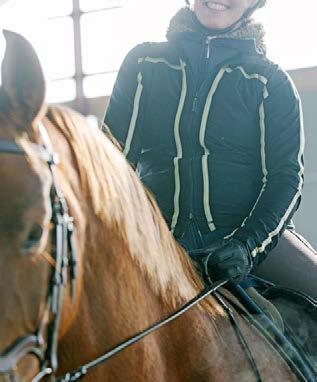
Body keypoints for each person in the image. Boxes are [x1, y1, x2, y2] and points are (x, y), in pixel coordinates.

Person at [103, 0, 317, 299]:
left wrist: (247, 246)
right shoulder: (143, 64)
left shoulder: (271, 82)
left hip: (252, 241)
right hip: (158, 240)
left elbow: (286, 179)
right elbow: (111, 163)